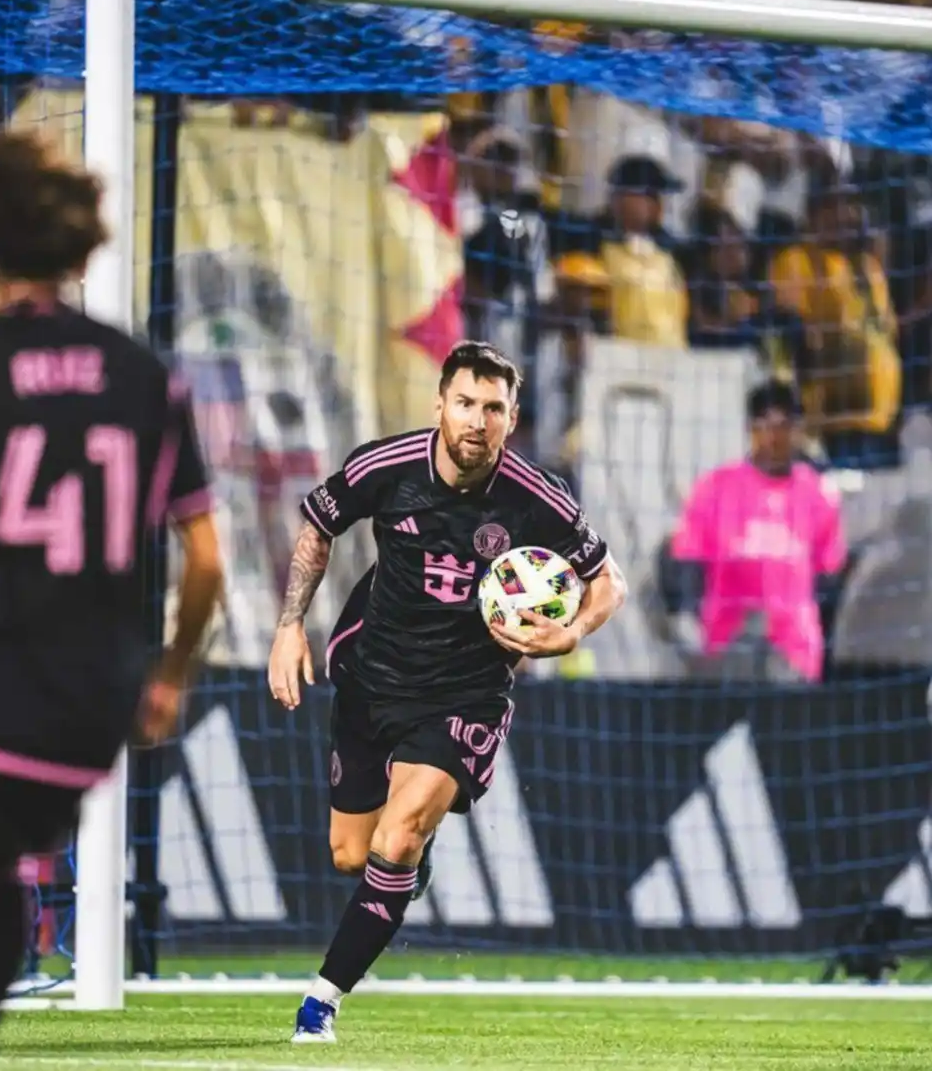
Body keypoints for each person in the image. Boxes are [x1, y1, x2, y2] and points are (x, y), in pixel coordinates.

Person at [0, 131, 222, 1070]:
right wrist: (170, 676)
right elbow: (207, 562)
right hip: (88, 710)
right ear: (81, 247)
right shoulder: (150, 380)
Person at [267, 340, 626, 1043]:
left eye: (493, 409)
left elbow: (609, 580)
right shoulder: (387, 466)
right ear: (440, 404)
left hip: (466, 693)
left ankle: (321, 1002)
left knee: (398, 836)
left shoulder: (536, 496)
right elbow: (319, 524)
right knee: (353, 855)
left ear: (511, 419)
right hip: (372, 678)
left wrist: (573, 631)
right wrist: (288, 627)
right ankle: (409, 863)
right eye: (465, 403)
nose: (476, 421)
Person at [662, 380, 846, 682]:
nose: (775, 437)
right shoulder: (716, 487)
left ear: (798, 431)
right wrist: (686, 616)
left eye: (785, 426)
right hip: (725, 649)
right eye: (766, 426)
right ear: (750, 428)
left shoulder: (818, 494)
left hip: (794, 656)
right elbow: (687, 561)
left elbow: (828, 576)